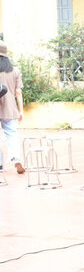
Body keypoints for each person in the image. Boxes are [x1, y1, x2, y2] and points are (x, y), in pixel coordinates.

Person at [0, 41, 24, 174]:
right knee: (12, 134)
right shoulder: (15, 70)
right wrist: (21, 111)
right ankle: (16, 159)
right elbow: (18, 92)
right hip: (9, 108)